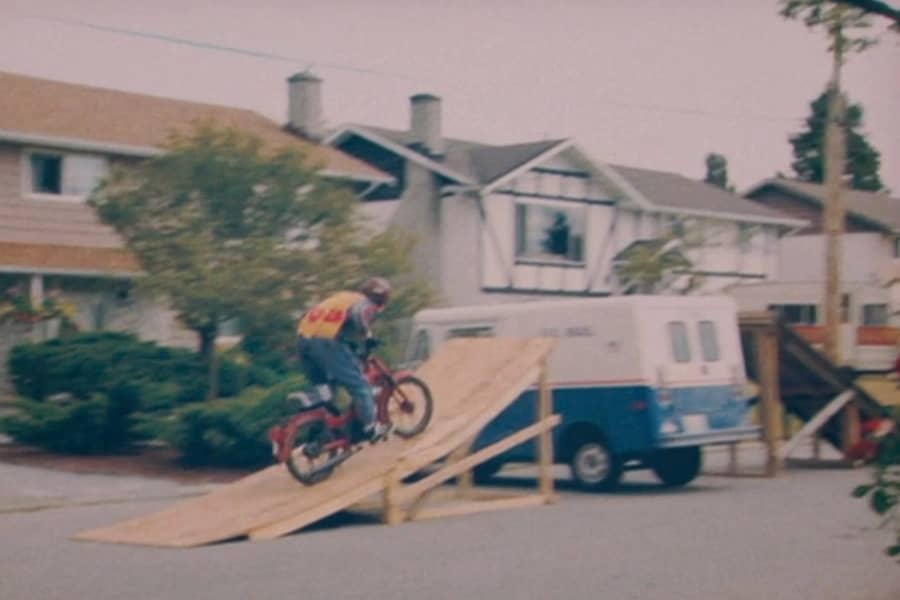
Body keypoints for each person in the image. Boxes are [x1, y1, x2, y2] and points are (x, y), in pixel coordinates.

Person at [296, 277, 392, 443]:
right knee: (359, 385)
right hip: (326, 342)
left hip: (303, 340)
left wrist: (348, 344)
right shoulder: (365, 303)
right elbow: (359, 316)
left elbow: (333, 322)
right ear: (381, 299)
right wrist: (367, 336)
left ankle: (319, 431)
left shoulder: (343, 297)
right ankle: (370, 428)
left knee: (325, 390)